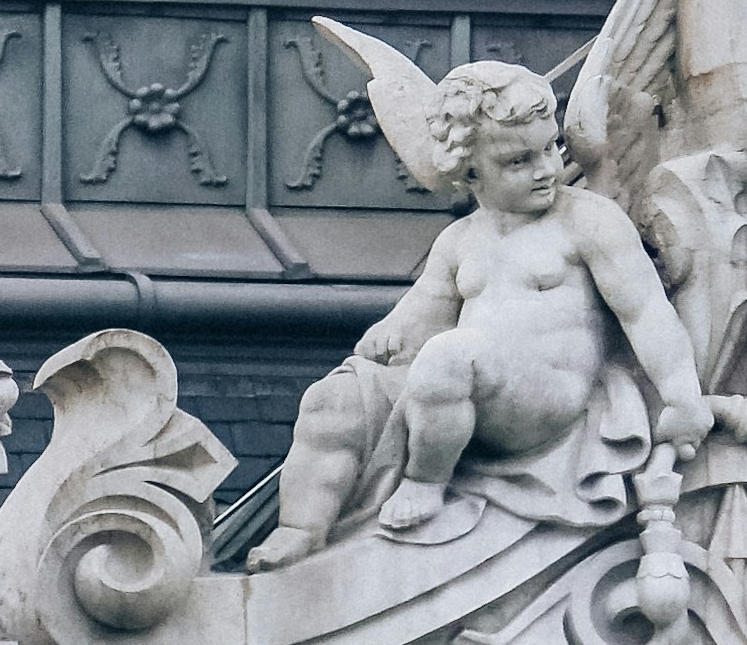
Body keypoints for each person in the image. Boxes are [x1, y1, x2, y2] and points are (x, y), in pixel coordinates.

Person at [256, 61, 710, 561]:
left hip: (545, 399)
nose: (545, 169)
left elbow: (644, 311)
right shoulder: (460, 240)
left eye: (551, 148)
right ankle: (302, 529)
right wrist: (390, 331)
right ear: (469, 170)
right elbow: (423, 311)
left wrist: (682, 396)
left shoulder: (587, 220)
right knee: (334, 399)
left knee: (451, 356)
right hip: (456, 393)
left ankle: (425, 482)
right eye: (518, 161)